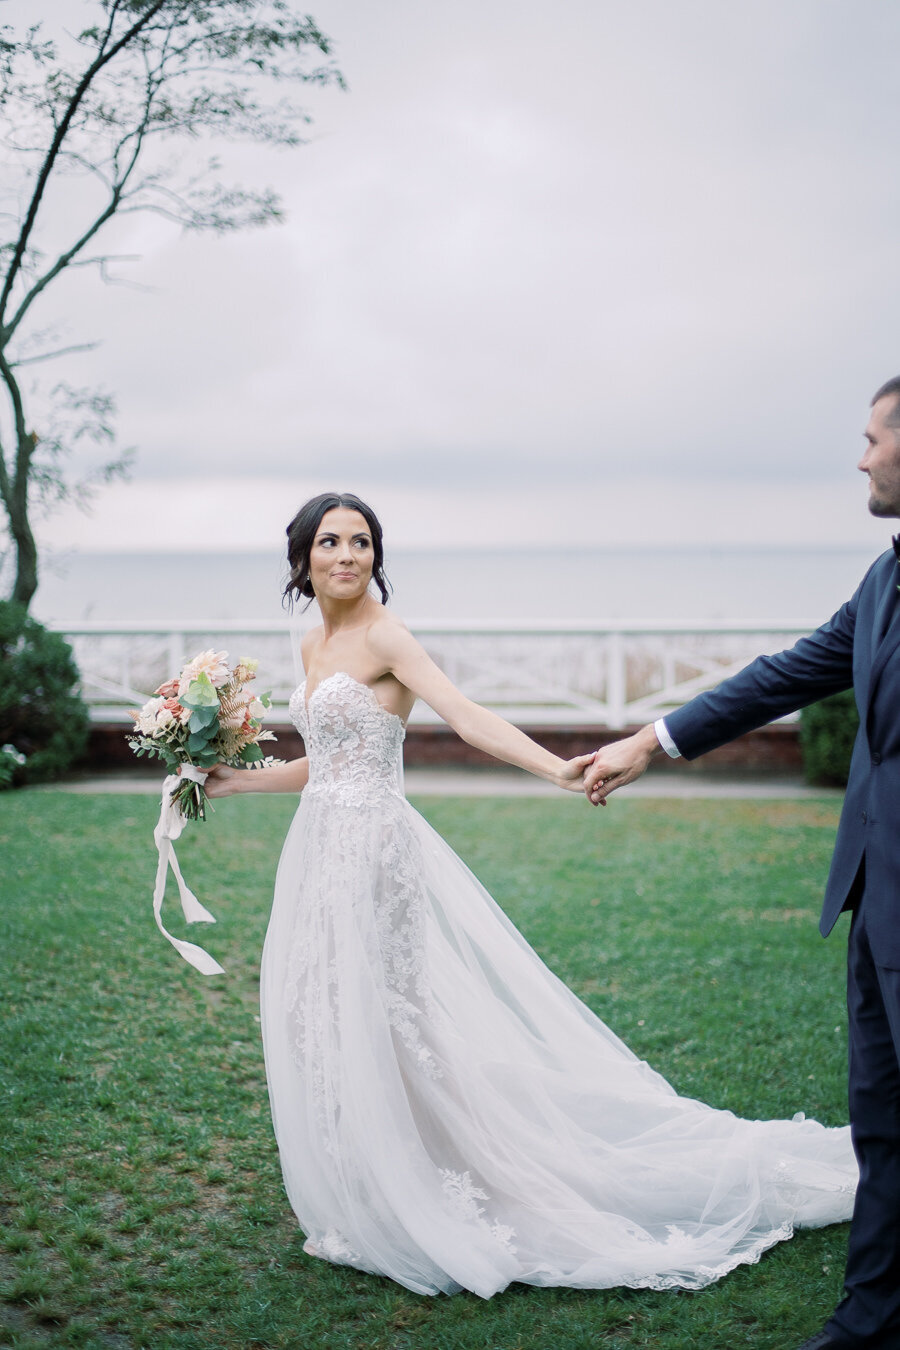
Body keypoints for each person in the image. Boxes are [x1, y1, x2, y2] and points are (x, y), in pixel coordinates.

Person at [206, 490, 856, 1300]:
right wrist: (236, 782)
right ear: (302, 556)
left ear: (378, 555)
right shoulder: (312, 645)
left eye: (362, 542)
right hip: (318, 850)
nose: (347, 556)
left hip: (375, 852)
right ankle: (377, 1176)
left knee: (389, 1014)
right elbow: (327, 762)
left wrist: (558, 768)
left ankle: (446, 1183)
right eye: (331, 542)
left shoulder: (387, 636)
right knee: (324, 1011)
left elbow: (467, 718)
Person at [583, 378, 900, 1349]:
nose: (860, 458)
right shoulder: (883, 580)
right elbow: (788, 673)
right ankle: (872, 1322)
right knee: (882, 1128)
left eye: (872, 438)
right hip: (872, 899)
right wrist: (653, 739)